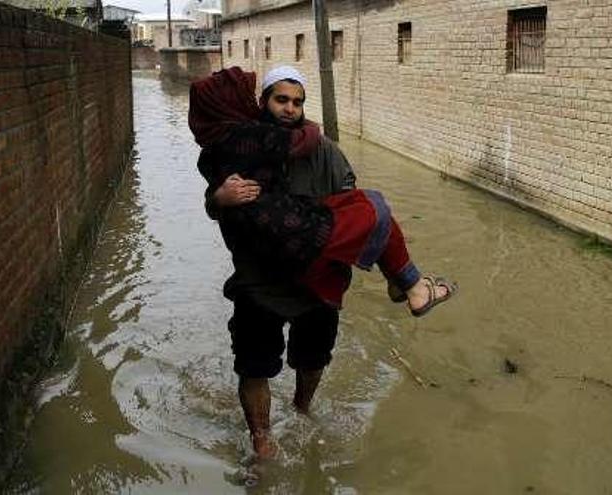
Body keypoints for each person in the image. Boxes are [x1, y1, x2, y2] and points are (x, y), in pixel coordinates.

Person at [190, 66, 455, 459]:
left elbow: (346, 201)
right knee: (254, 366)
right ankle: (262, 439)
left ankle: (301, 409)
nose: (289, 109)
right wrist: (217, 200)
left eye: (297, 103)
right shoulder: (238, 143)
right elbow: (217, 201)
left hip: (317, 278)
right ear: (262, 102)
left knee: (313, 359)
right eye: (281, 100)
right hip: (259, 280)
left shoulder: (322, 148)